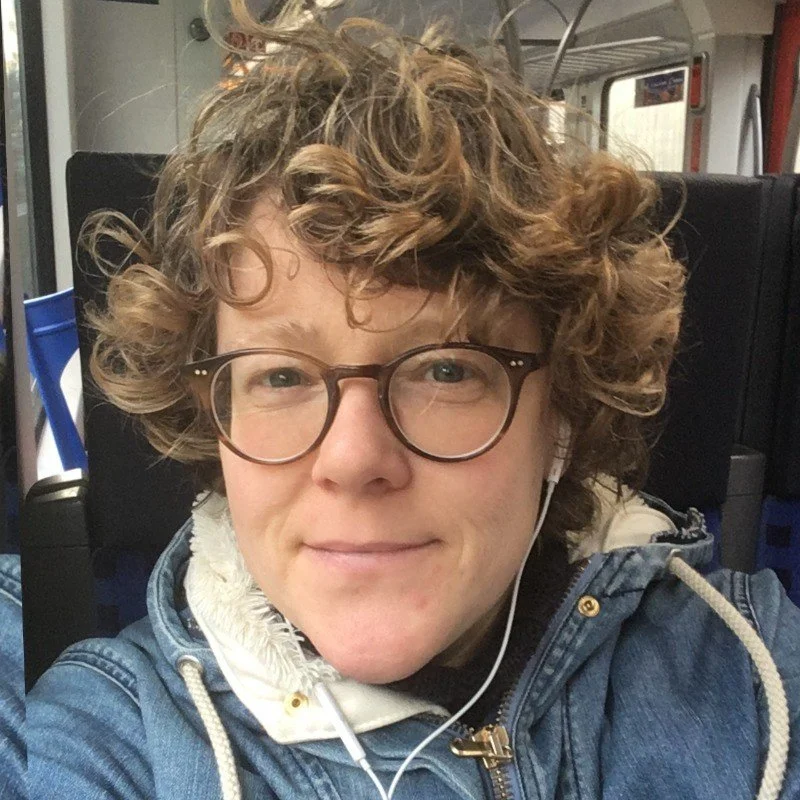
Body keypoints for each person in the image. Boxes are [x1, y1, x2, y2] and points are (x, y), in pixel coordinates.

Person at [27, 4, 800, 798]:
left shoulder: (755, 678)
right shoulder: (110, 737)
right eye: (281, 377)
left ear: (563, 411)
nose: (353, 458)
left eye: (446, 370)